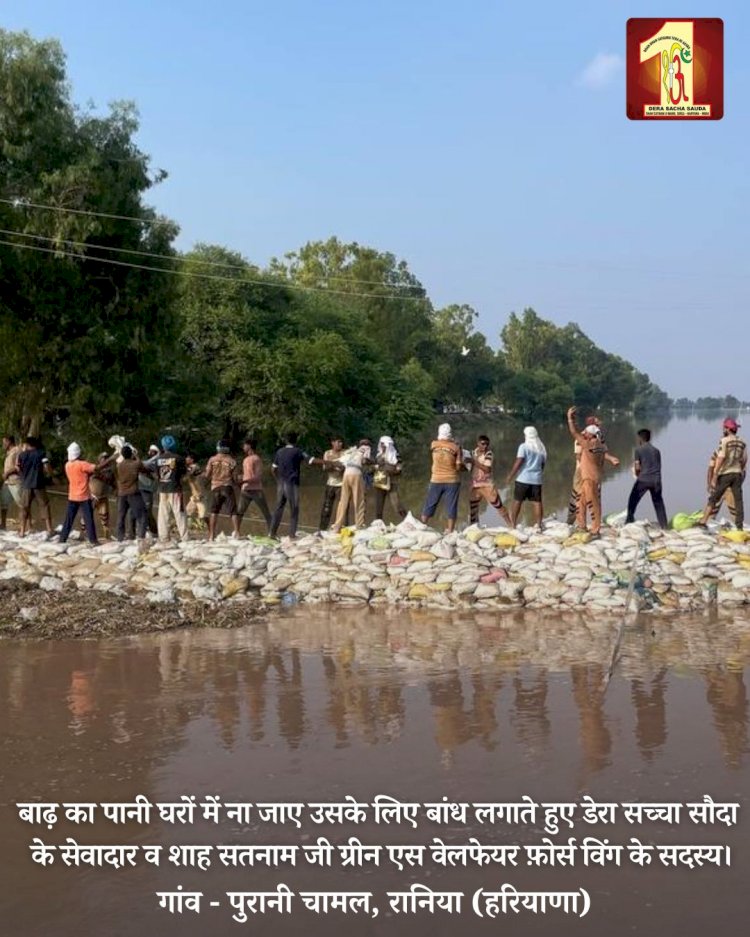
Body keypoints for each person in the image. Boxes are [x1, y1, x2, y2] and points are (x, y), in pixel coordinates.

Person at [566, 407, 620, 538]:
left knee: (593, 503)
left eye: (586, 434)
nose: (584, 435)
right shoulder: (599, 444)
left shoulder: (589, 444)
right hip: (589, 478)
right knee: (581, 502)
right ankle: (581, 525)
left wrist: (569, 419)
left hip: (589, 478)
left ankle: (595, 529)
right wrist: (611, 458)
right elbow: (581, 434)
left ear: (590, 435)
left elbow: (574, 432)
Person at [698, 418, 746, 529]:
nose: (723, 429)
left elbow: (720, 458)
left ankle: (703, 522)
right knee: (739, 502)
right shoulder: (742, 442)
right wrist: (740, 471)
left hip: (725, 475)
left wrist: (714, 476)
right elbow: (744, 460)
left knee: (713, 499)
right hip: (737, 474)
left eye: (724, 428)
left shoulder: (724, 441)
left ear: (727, 429)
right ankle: (739, 527)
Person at [269, 432, 317, 539]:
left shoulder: (279, 451)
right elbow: (311, 460)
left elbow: (273, 469)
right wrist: (329, 463)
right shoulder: (298, 451)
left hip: (281, 484)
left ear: (286, 440)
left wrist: (278, 480)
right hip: (292, 484)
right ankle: (292, 535)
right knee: (294, 509)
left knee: (278, 508)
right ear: (296, 439)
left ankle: (272, 534)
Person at [420, 423, 464, 533]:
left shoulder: (433, 444)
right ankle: (450, 529)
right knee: (451, 505)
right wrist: (460, 451)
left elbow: (442, 447)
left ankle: (422, 526)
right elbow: (458, 467)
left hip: (436, 479)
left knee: (430, 503)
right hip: (452, 480)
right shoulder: (456, 447)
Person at [625, 429, 668, 529]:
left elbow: (637, 467)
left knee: (632, 500)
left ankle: (629, 521)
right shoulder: (656, 451)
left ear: (640, 439)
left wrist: (636, 474)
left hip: (643, 480)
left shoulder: (638, 450)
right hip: (656, 480)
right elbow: (658, 466)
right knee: (658, 504)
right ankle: (664, 526)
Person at [506, 426, 547, 529]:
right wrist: (537, 474)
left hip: (523, 479)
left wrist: (510, 475)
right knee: (537, 502)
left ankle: (513, 524)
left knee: (517, 501)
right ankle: (539, 524)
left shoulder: (523, 447)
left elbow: (519, 462)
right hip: (536, 480)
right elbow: (542, 465)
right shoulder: (541, 448)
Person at [566, 415, 603, 525]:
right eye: (598, 423)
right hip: (583, 472)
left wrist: (570, 419)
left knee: (589, 499)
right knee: (579, 499)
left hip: (590, 473)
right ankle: (575, 522)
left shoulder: (593, 440)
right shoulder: (586, 440)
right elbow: (578, 456)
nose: (600, 424)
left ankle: (591, 524)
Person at [59, 443, 98, 545]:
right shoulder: (82, 464)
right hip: (84, 497)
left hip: (72, 496)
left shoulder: (67, 465)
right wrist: (112, 458)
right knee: (88, 519)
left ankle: (62, 538)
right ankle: (93, 540)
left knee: (69, 519)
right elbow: (96, 468)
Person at [468, 434, 511, 527]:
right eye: (483, 444)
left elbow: (487, 469)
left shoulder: (489, 454)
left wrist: (474, 461)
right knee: (473, 508)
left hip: (486, 484)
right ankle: (474, 527)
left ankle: (510, 525)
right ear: (478, 443)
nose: (485, 446)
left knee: (498, 505)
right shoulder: (472, 453)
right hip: (475, 484)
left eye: (487, 444)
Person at [331, 439, 372, 531]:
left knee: (343, 500)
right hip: (356, 473)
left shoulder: (352, 451)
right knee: (359, 500)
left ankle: (337, 526)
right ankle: (359, 525)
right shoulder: (366, 448)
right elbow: (365, 460)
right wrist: (372, 462)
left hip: (346, 474)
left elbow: (339, 462)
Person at [18, 436, 53, 538]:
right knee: (44, 505)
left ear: (27, 444)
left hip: (26, 485)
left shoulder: (22, 455)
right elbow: (46, 466)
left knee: (24, 507)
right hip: (39, 484)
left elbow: (18, 468)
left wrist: (23, 477)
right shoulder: (41, 453)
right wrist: (51, 474)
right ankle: (49, 529)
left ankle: (22, 531)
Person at [205, 440, 240, 540]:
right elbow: (235, 478)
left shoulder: (212, 460)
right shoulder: (232, 461)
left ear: (218, 448)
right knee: (233, 512)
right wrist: (238, 484)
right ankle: (237, 533)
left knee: (214, 511)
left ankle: (211, 535)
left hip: (215, 487)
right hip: (227, 487)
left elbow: (207, 475)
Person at [113, 445, 149, 541]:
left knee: (121, 516)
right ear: (131, 454)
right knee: (142, 515)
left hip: (121, 494)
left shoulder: (119, 465)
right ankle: (141, 537)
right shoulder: (135, 464)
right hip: (133, 493)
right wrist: (136, 456)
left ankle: (120, 538)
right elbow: (144, 468)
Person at [155, 435, 188, 541]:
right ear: (174, 445)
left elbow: (157, 475)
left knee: (163, 514)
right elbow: (183, 473)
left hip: (162, 489)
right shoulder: (178, 458)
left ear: (163, 446)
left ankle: (163, 537)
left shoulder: (158, 459)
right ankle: (184, 537)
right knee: (179, 513)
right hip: (175, 489)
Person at [237, 438, 272, 534]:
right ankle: (237, 532)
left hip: (256, 490)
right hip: (245, 490)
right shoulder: (245, 459)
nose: (243, 447)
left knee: (266, 512)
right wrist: (241, 478)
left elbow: (258, 476)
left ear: (249, 446)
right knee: (239, 512)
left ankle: (271, 532)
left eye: (245, 445)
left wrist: (244, 481)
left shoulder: (256, 459)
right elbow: (248, 474)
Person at [373, 435, 407, 523]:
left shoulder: (396, 456)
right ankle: (378, 522)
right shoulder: (378, 456)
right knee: (379, 504)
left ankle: (406, 520)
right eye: (381, 444)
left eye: (384, 445)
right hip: (380, 482)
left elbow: (399, 469)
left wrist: (389, 469)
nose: (382, 446)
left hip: (391, 482)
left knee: (396, 503)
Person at [318, 436, 347, 530]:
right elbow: (325, 467)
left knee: (343, 507)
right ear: (332, 443)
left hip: (342, 484)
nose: (340, 444)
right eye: (338, 442)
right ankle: (322, 529)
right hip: (331, 483)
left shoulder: (345, 453)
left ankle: (342, 527)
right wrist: (336, 466)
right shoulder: (327, 453)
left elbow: (346, 467)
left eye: (341, 442)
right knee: (327, 507)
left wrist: (332, 464)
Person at [89, 453, 115, 540]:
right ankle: (85, 536)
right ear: (99, 459)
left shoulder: (110, 472)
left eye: (106, 458)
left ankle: (106, 537)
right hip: (91, 497)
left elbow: (112, 483)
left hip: (103, 498)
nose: (104, 459)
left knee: (105, 520)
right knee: (86, 518)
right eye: (103, 458)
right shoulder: (93, 468)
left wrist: (116, 490)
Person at [1, 434, 22, 529]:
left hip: (15, 481)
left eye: (4, 442)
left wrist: (7, 473)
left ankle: (24, 526)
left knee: (21, 504)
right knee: (3, 503)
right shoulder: (8, 452)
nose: (3, 444)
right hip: (7, 482)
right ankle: (3, 524)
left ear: (9, 441)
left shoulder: (17, 451)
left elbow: (18, 466)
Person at [185, 454, 208, 529]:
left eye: (187, 458)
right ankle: (190, 527)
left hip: (199, 494)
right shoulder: (193, 467)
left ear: (192, 460)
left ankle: (208, 529)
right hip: (196, 493)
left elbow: (187, 477)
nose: (186, 459)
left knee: (202, 514)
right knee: (188, 512)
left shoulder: (193, 467)